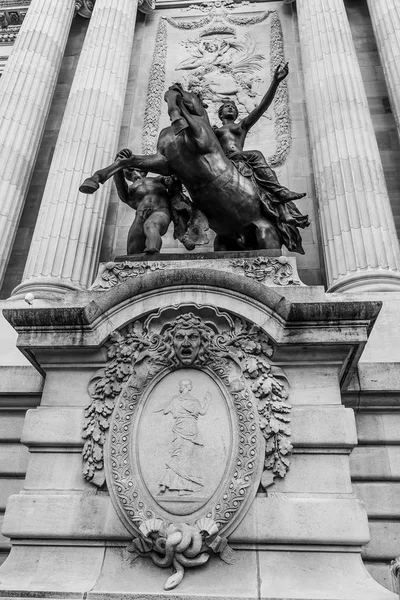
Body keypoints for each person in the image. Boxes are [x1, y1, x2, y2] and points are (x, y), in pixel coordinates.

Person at [157, 379, 211, 496]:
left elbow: (166, 411)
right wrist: (208, 401)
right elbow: (202, 411)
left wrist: (168, 405)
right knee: (185, 458)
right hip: (190, 430)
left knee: (177, 456)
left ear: (182, 387)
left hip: (179, 429)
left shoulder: (175, 399)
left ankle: (164, 483)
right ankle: (181, 489)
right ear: (189, 387)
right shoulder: (194, 401)